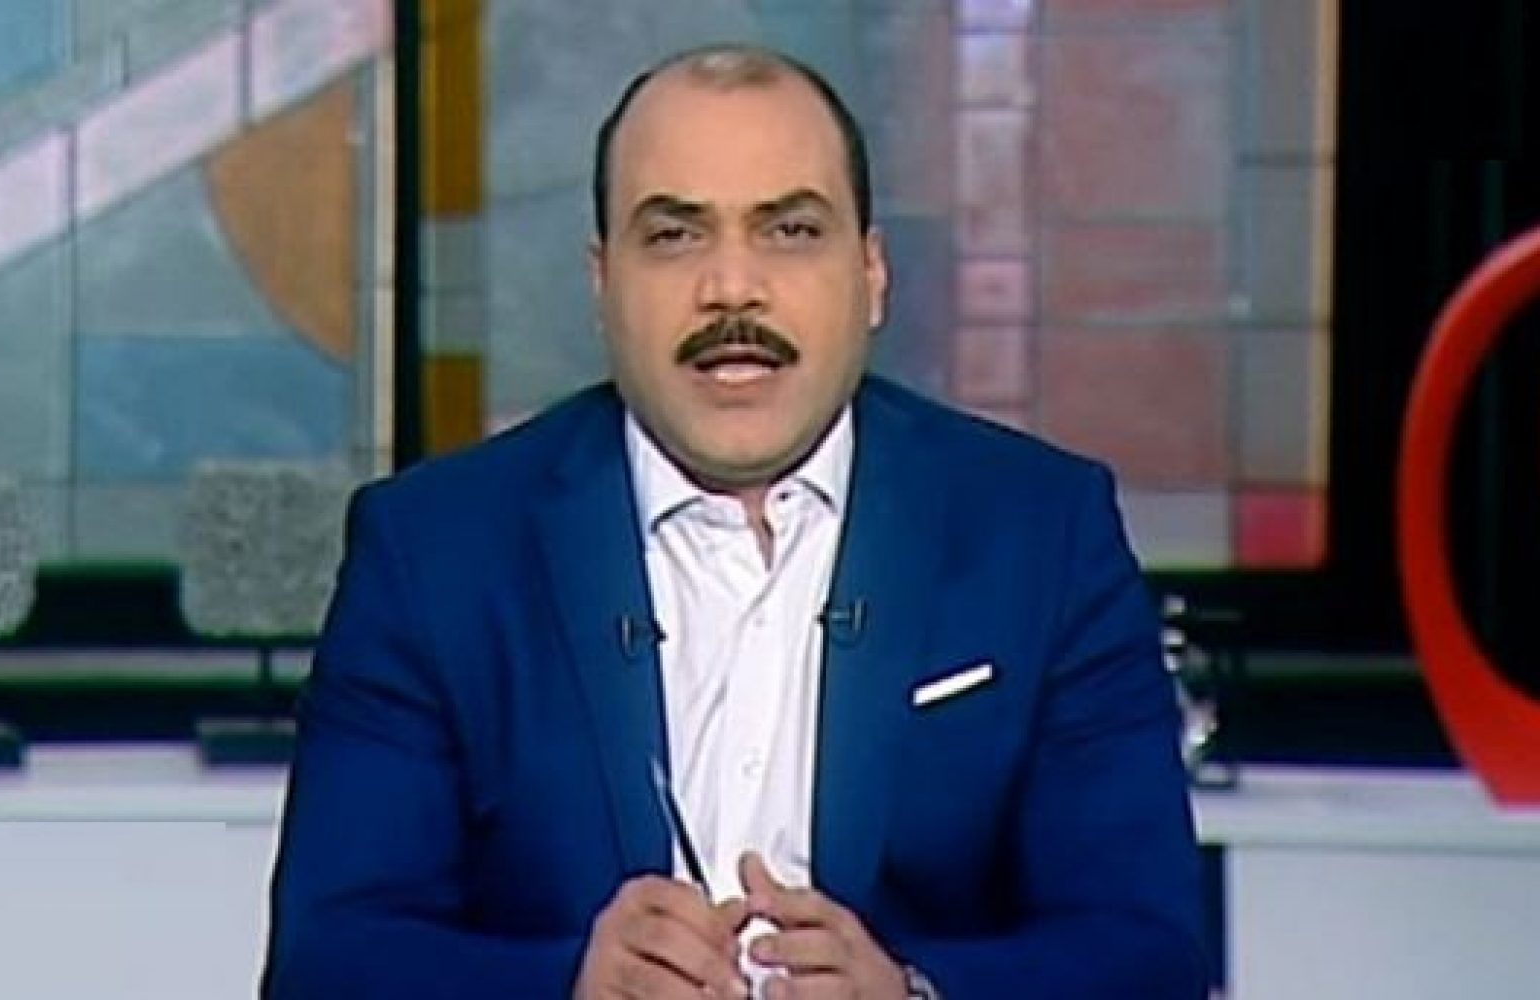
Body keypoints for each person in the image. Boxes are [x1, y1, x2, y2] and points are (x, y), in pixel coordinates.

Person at [263, 43, 1206, 999]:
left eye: (790, 230)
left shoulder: (1042, 534)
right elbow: (326, 961)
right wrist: (567, 988)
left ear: (872, 272)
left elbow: (1149, 952)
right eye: (675, 235)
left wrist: (913, 995)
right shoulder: (432, 552)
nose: (732, 289)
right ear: (602, 282)